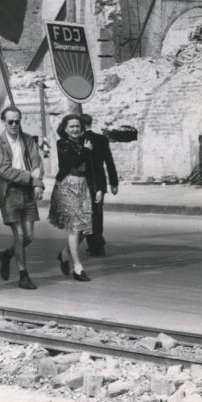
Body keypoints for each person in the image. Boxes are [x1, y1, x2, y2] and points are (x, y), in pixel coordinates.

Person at [0, 106, 44, 290]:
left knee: (29, 236)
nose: (14, 125)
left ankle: (6, 255)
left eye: (17, 121)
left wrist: (37, 183)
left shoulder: (28, 140)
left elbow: (37, 163)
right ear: (3, 122)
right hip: (9, 192)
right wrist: (31, 176)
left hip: (27, 192)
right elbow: (4, 170)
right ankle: (23, 275)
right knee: (19, 235)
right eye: (10, 121)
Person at [48, 114, 95, 282]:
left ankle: (64, 254)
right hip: (67, 186)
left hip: (83, 186)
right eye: (72, 126)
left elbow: (91, 168)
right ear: (65, 129)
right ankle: (78, 268)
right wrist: (86, 150)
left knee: (84, 228)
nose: (75, 129)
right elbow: (71, 162)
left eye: (77, 126)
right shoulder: (62, 143)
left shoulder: (85, 142)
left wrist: (98, 189)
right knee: (75, 227)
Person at [81, 113, 118, 257]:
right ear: (91, 123)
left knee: (87, 214)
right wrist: (114, 183)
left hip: (85, 183)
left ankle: (95, 245)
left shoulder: (79, 140)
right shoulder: (102, 139)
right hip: (100, 183)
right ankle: (98, 243)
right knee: (97, 213)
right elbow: (109, 162)